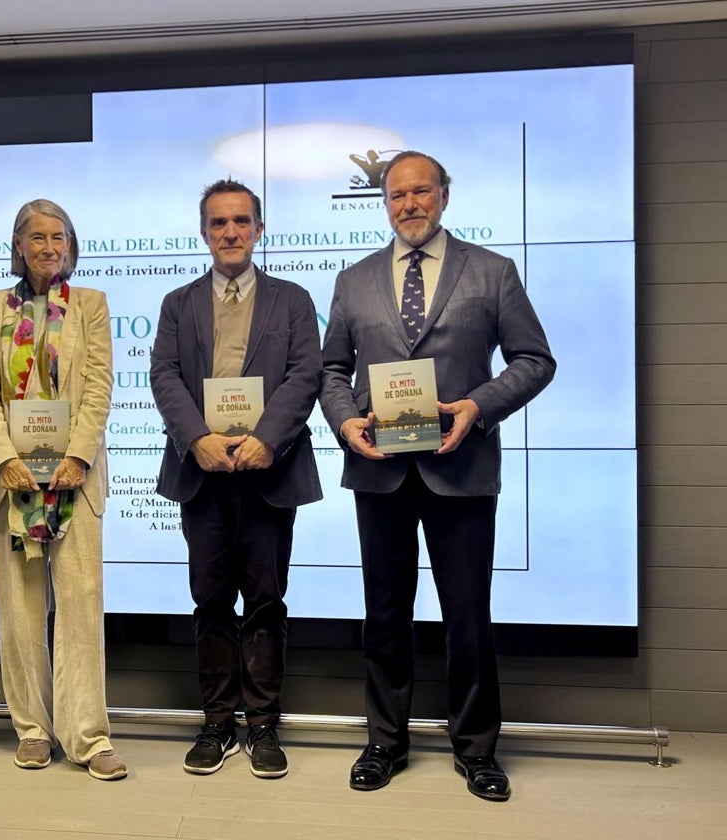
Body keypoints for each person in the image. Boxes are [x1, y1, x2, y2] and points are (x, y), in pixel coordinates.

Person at [319, 151, 556, 802]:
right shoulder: (353, 279)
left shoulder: (493, 272)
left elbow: (535, 360)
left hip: (463, 465)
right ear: (385, 204)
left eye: (421, 191)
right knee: (385, 615)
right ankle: (384, 743)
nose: (409, 204)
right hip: (380, 471)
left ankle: (477, 750)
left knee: (467, 617)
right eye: (397, 195)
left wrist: (478, 406)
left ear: (445, 196)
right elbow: (331, 370)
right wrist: (345, 425)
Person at [151, 179, 323, 779]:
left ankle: (263, 724)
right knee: (210, 600)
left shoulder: (293, 299)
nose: (230, 232)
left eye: (241, 222)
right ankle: (217, 723)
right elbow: (165, 376)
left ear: (259, 229)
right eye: (219, 223)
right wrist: (196, 438)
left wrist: (265, 439)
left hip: (269, 472)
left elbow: (306, 376)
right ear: (204, 232)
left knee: (267, 601)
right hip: (203, 472)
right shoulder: (178, 303)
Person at [0, 199, 126, 781]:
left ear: (71, 245)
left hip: (74, 481)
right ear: (19, 246)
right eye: (36, 237)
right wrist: (3, 459)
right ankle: (32, 730)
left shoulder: (92, 306)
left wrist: (79, 455)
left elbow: (100, 385)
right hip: (11, 483)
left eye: (58, 236)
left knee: (79, 608)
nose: (48, 246)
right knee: (21, 611)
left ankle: (89, 736)